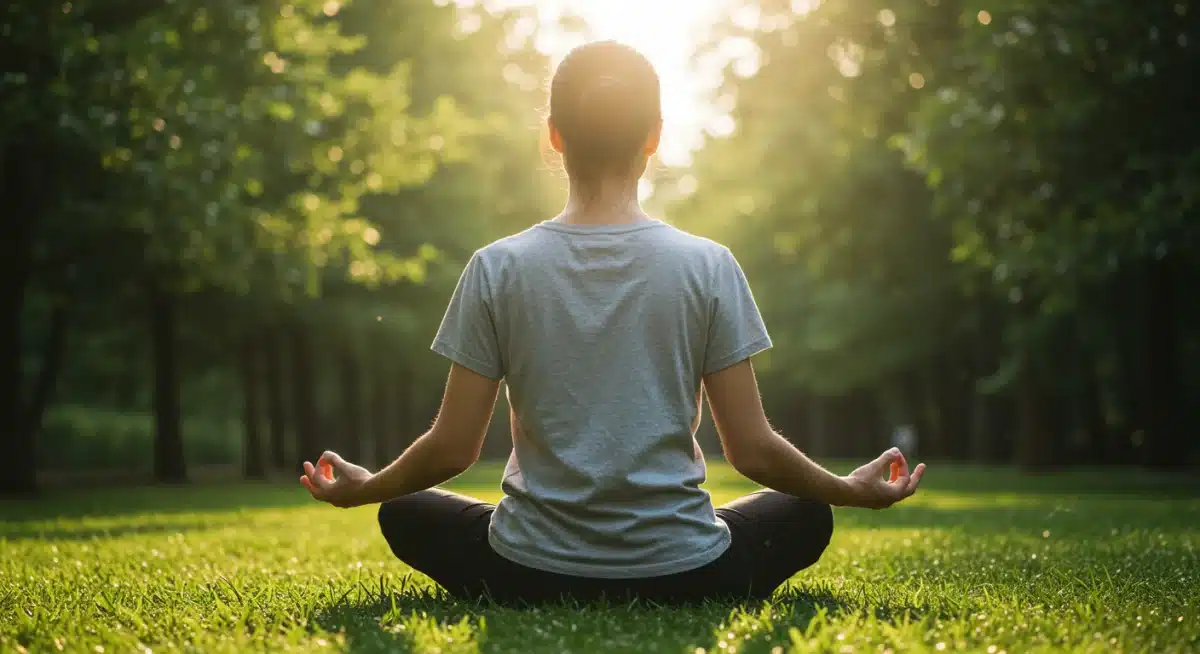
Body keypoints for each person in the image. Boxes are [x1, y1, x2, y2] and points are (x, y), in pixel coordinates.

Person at [300, 40, 926, 605]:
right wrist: (847, 488)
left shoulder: (497, 266)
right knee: (806, 512)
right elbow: (753, 450)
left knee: (402, 509)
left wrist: (369, 487)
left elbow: (452, 448)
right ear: (654, 136)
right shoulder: (709, 265)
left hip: (526, 571)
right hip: (687, 570)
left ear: (553, 136)